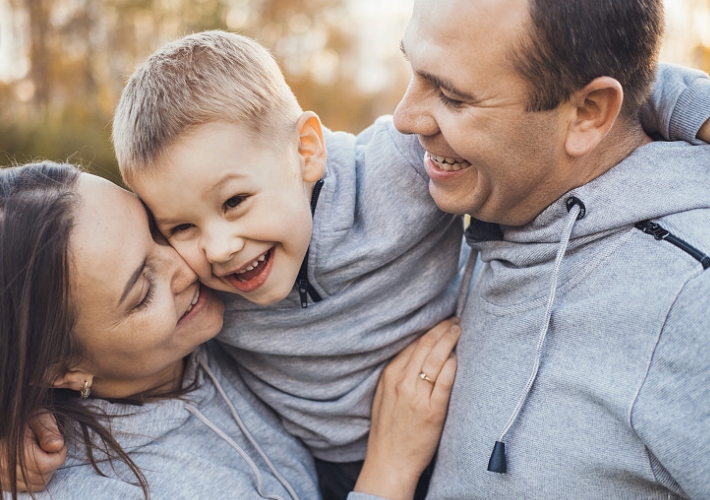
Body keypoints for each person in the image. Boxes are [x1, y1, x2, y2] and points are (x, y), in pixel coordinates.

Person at [8, 28, 710, 499]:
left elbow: (555, 86)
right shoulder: (111, 441)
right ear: (66, 366)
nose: (204, 258)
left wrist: (693, 109)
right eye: (177, 229)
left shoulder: (394, 175)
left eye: (160, 238)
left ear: (306, 151)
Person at [392, 0, 710, 498]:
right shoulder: (452, 199)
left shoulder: (693, 299)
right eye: (412, 69)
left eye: (452, 96)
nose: (405, 118)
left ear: (586, 113)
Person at [0, 161, 459, 500]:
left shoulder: (209, 315)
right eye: (142, 292)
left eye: (162, 232)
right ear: (59, 368)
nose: (189, 265)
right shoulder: (84, 486)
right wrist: (390, 469)